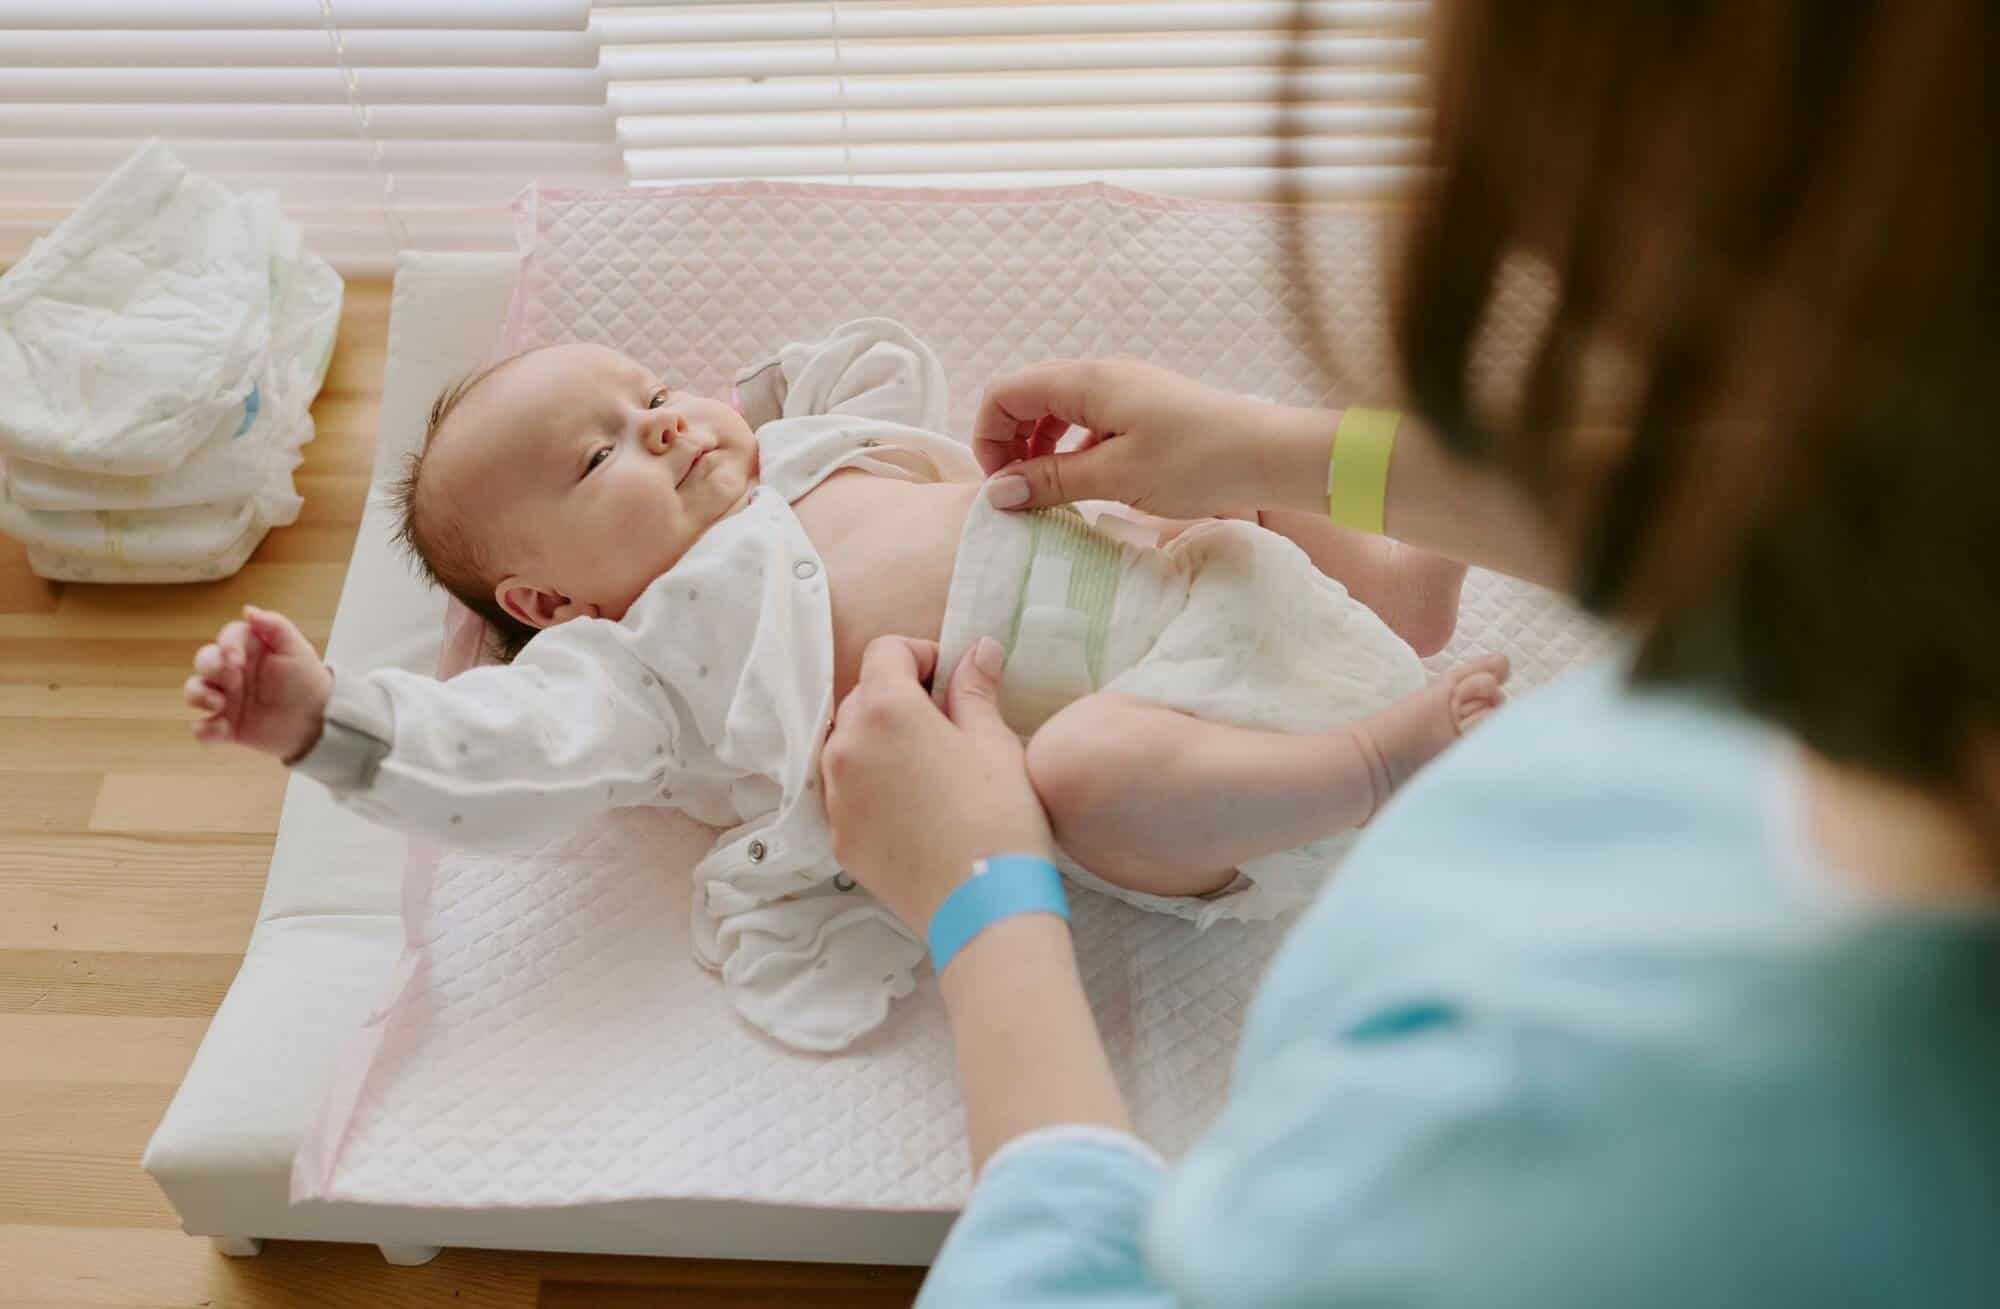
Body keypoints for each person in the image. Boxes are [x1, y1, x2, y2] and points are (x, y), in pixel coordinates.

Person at [816, 3, 1999, 1304]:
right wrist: (1278, 454)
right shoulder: (1899, 592)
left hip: (1233, 763)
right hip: (1245, 648)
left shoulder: (1588, 1125)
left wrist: (983, 899)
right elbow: (1804, 511)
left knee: (1092, 769)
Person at [180, 317, 1501, 1052]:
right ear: (548, 604)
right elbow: (506, 755)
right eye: (598, 458)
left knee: (1226, 483)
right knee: (1074, 774)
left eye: (652, 391)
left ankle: (1401, 591)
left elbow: (862, 361)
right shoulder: (640, 665)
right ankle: (1371, 766)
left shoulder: (796, 452)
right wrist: (328, 721)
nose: (665, 423)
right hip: (1185, 752)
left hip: (1216, 578)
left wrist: (739, 405)